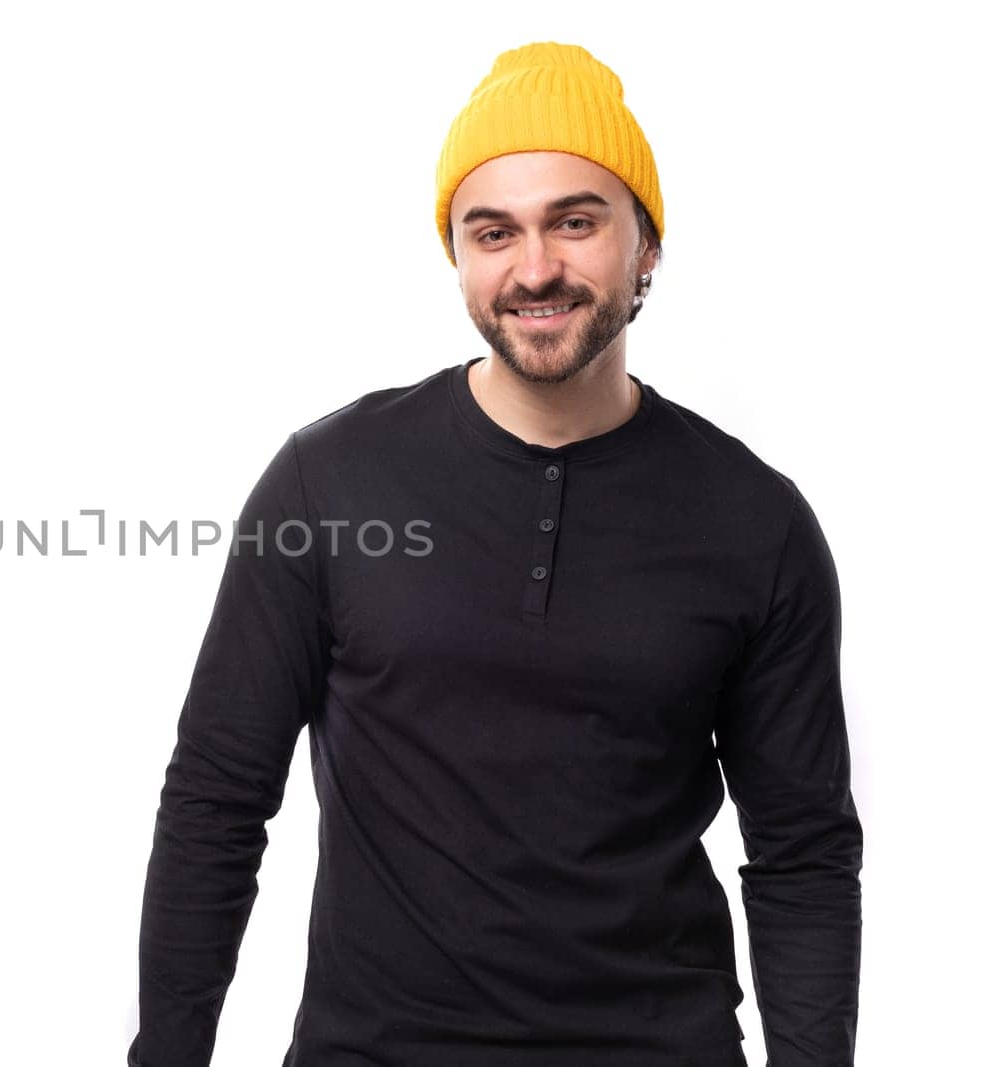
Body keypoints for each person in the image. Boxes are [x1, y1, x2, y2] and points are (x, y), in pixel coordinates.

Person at [128, 40, 863, 1067]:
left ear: (644, 246)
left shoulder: (756, 520)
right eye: (493, 231)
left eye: (575, 220)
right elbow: (216, 795)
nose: (535, 268)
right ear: (459, 257)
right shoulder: (329, 481)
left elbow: (802, 852)